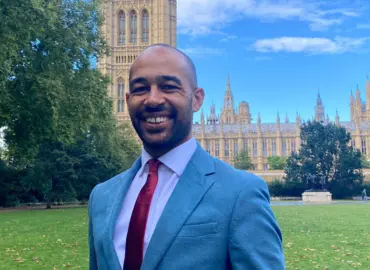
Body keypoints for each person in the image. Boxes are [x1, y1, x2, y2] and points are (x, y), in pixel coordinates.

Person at [88, 44, 285, 270]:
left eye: (169, 87)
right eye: (141, 89)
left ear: (197, 99)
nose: (153, 100)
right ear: (127, 98)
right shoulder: (101, 197)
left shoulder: (241, 193)